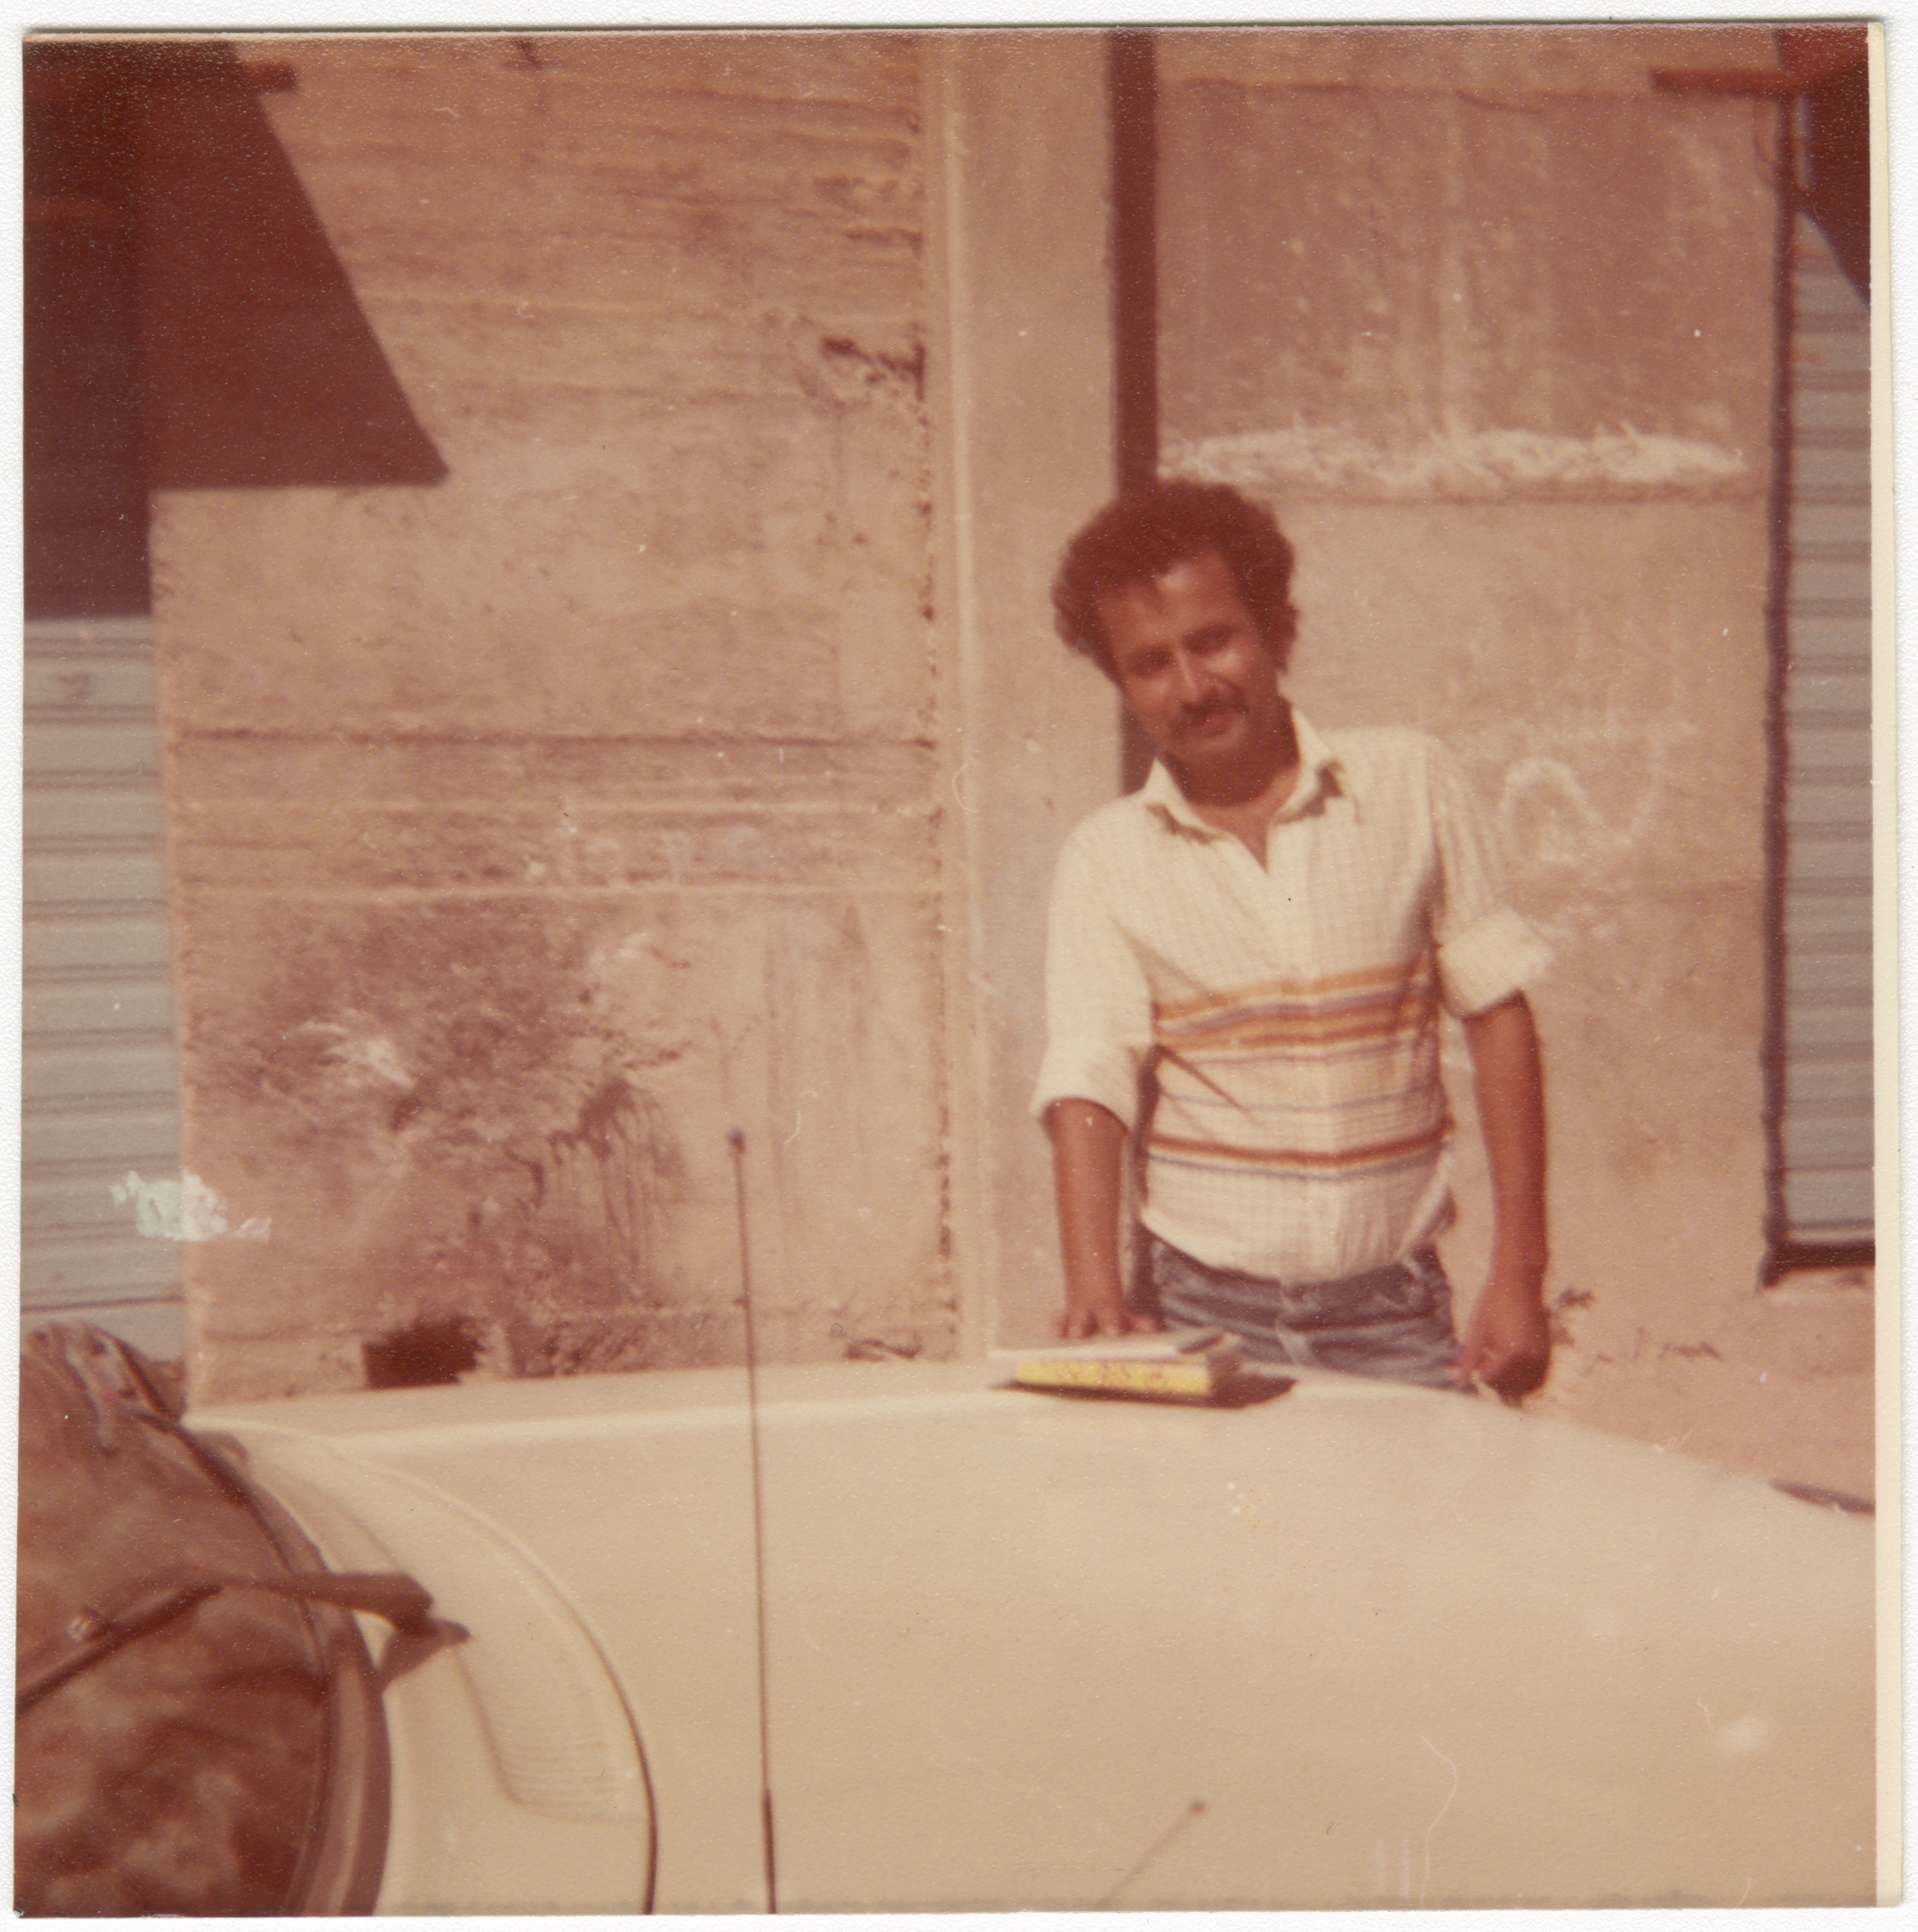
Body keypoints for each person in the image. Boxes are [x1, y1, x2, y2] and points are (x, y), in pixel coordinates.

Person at [1032, 479, 1551, 1399]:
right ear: (1121, 685)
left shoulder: (1410, 785)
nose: (1193, 687)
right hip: (1200, 1314)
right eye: (1149, 664)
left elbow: (1496, 1011)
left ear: (1279, 631)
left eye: (1213, 641)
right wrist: (1093, 1286)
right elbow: (1090, 1072)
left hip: (1395, 1316)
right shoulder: (1105, 858)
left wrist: (1519, 1272)